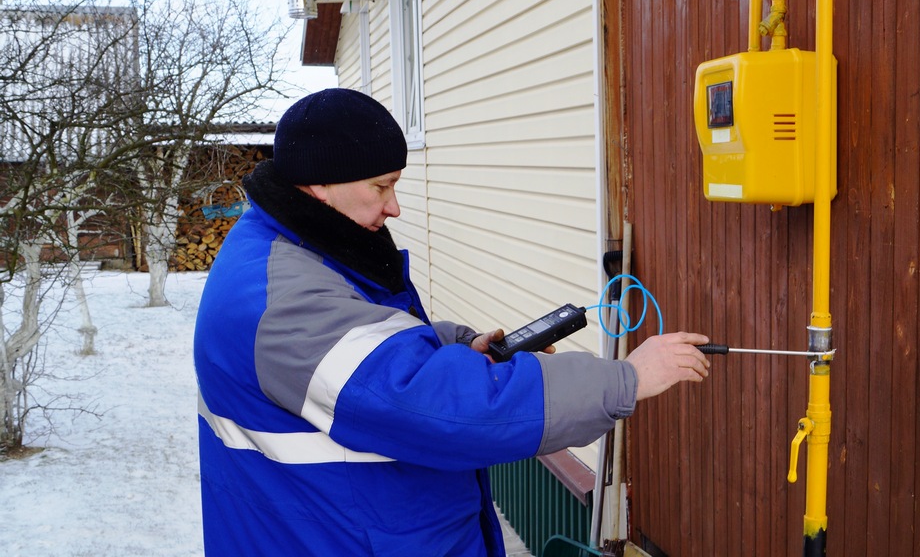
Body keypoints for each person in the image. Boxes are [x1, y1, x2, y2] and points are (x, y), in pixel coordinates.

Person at [193, 88, 710, 556]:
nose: (394, 207)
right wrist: (627, 378)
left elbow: (365, 340)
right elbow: (437, 406)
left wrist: (454, 345)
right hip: (337, 537)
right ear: (320, 183)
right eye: (381, 186)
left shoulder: (297, 242)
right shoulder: (282, 301)